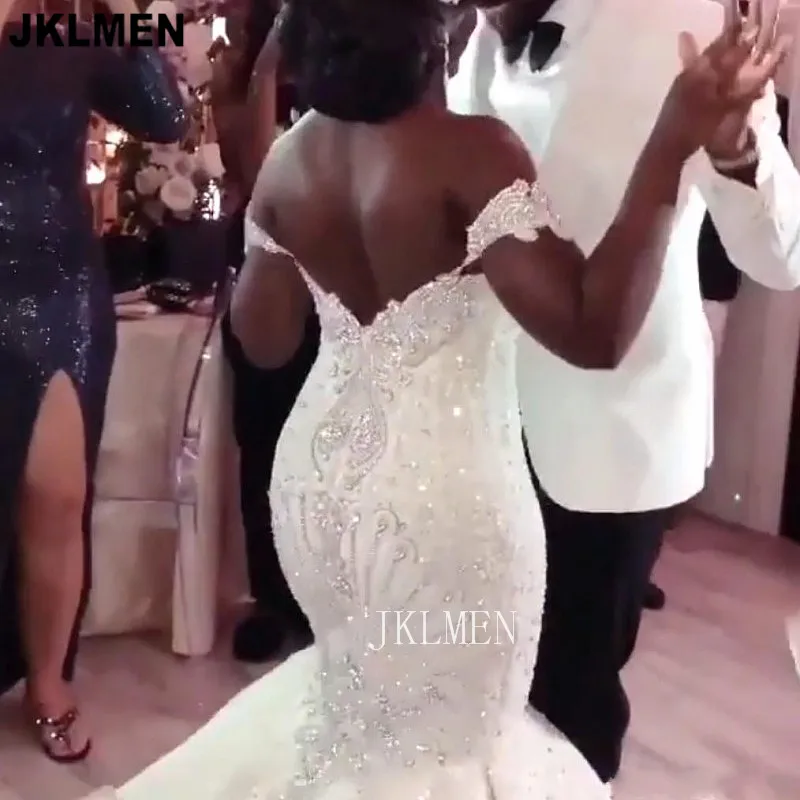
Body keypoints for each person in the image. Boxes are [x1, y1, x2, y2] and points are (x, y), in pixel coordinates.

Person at [83, 0, 782, 798]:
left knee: (357, 706)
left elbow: (265, 342)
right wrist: (670, 142)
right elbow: (596, 332)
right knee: (454, 742)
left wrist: (273, 205)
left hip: (323, 492)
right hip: (444, 505)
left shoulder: (295, 156)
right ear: (426, 27)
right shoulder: (474, 154)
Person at [447, 0, 800, 785]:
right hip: (475, 419)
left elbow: (783, 258)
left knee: (571, 710)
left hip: (611, 431)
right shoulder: (468, 29)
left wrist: (738, 152)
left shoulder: (682, 21)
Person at [0, 0, 186, 761]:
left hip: (54, 293)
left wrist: (122, 13)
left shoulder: (65, 28)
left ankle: (47, 683)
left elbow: (166, 116)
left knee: (56, 498)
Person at [211, 0, 316, 663]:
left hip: (348, 285)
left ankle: (330, 597)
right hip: (269, 286)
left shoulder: (358, 66)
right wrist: (270, 61)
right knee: (266, 452)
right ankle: (272, 599)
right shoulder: (242, 70)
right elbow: (255, 172)